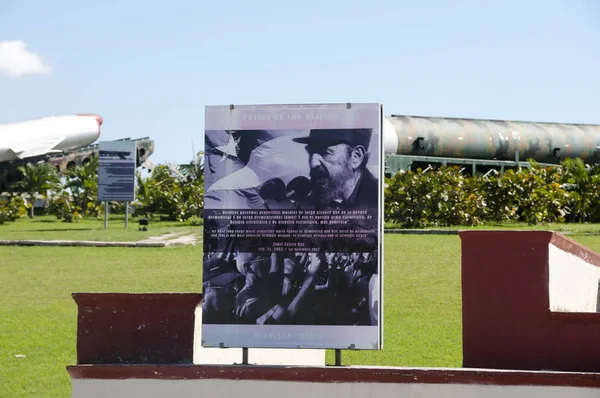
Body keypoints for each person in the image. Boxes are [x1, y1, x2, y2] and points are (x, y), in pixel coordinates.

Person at [292, 128, 378, 210]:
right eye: (310, 153)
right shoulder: (309, 202)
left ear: (356, 156)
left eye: (325, 153)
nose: (313, 164)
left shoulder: (379, 199)